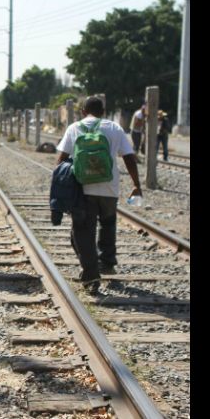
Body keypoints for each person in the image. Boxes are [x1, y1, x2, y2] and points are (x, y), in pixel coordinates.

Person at [56, 96, 142, 295]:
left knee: (82, 231)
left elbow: (61, 160)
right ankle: (107, 262)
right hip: (110, 188)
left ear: (83, 111)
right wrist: (136, 184)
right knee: (108, 223)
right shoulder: (114, 128)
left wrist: (61, 190)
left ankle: (91, 273)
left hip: (83, 189)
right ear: (103, 112)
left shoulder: (74, 128)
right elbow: (129, 157)